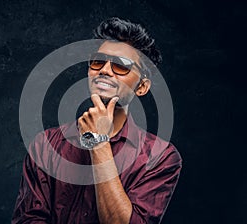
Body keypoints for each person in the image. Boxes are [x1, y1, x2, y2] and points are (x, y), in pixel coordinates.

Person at [12, 17, 182, 224]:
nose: (105, 70)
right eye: (98, 61)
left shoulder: (160, 157)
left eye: (121, 66)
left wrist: (99, 142)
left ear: (142, 87)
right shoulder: (46, 145)